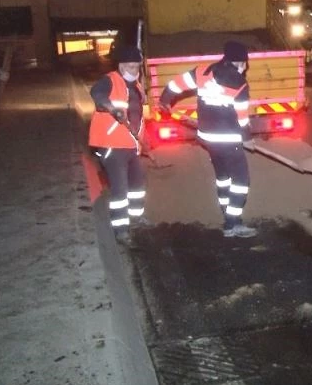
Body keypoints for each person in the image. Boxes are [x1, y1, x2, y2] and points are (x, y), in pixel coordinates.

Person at [158, 41, 257, 238]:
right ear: (239, 62)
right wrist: (247, 139)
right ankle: (232, 224)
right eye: (245, 63)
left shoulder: (202, 72)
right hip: (229, 140)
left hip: (207, 139)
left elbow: (174, 85)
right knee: (241, 181)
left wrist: (164, 100)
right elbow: (242, 118)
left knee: (223, 177)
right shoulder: (239, 83)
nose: (245, 68)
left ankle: (225, 211)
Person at [88, 44, 148, 246]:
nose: (134, 70)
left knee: (137, 184)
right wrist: (112, 109)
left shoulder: (137, 86)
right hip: (113, 146)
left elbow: (138, 114)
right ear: (121, 65)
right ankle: (121, 230)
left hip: (131, 145)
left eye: (137, 66)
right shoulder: (109, 81)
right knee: (120, 189)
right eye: (131, 66)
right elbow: (97, 95)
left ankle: (137, 218)